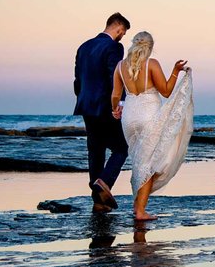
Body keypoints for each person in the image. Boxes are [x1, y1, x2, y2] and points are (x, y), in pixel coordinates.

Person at [111, 31, 194, 221]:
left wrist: (115, 109)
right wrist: (175, 70)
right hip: (148, 116)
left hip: (129, 118)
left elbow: (116, 94)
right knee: (148, 165)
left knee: (139, 162)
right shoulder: (152, 64)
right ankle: (140, 211)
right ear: (150, 46)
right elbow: (166, 91)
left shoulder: (119, 66)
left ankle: (137, 204)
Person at [74, 12, 131, 211]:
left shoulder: (84, 47)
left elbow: (77, 81)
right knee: (122, 148)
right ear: (118, 28)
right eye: (122, 32)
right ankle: (104, 183)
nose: (122, 36)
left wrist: (82, 99)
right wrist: (119, 103)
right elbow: (114, 76)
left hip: (85, 105)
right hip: (105, 105)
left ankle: (98, 199)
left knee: (96, 150)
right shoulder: (114, 47)